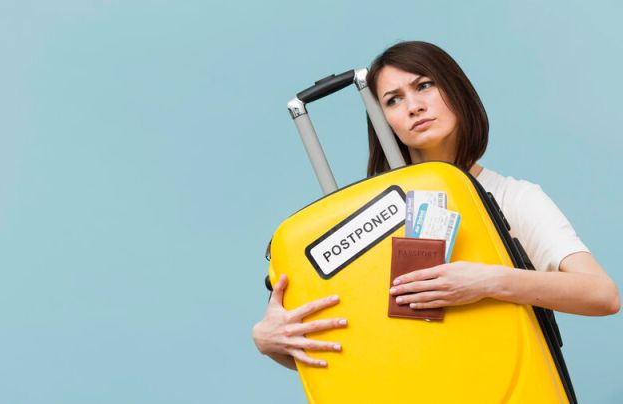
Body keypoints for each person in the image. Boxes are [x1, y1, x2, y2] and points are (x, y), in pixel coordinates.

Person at [252, 41, 621, 370]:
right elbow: (346, 339)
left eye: (424, 85)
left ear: (456, 91)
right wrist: (270, 342)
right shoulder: (366, 217)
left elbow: (602, 295)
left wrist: (490, 281)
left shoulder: (513, 197)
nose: (413, 107)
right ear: (383, 121)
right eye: (393, 100)